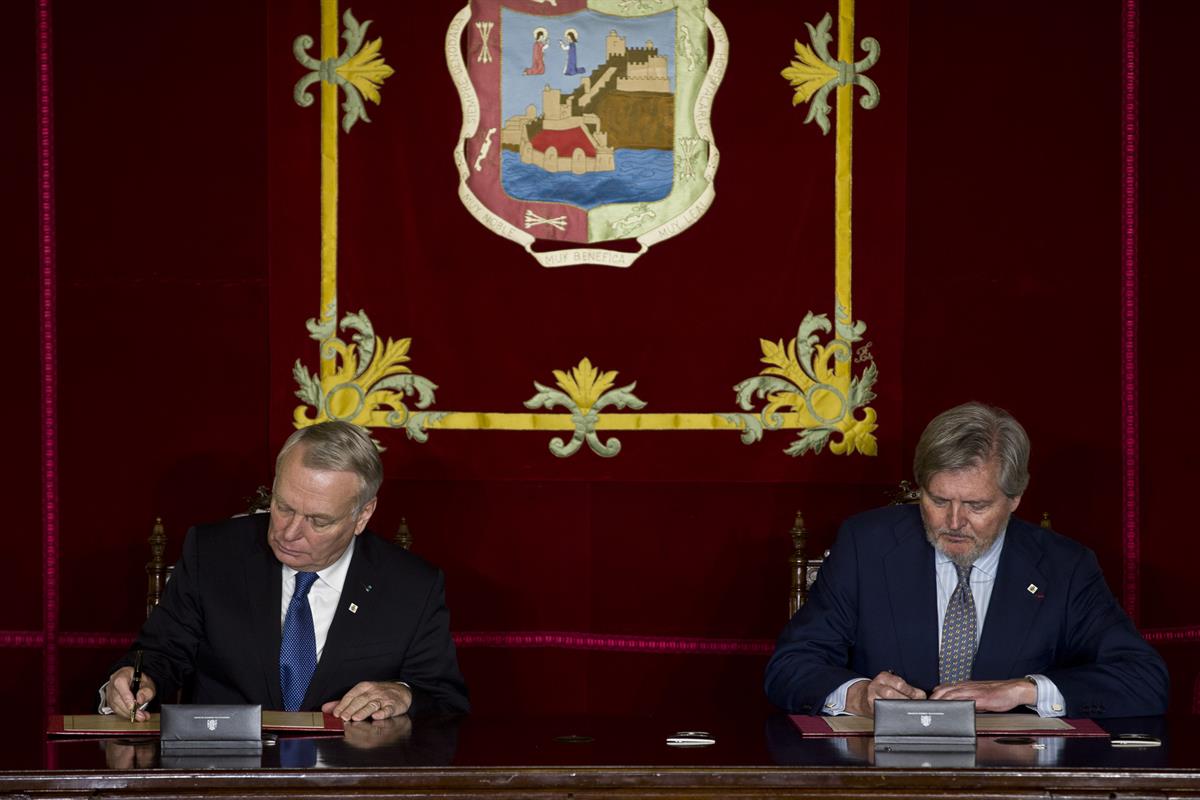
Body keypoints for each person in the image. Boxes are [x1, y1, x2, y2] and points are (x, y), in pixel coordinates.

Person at [765, 402, 1168, 719]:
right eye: (938, 500)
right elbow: (790, 666)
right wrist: (857, 695)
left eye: (976, 505)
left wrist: (1024, 690)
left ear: (1014, 499)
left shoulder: (1065, 567)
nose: (954, 522)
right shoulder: (866, 546)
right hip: (886, 775)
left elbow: (1145, 680)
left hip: (1012, 781)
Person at [103, 421, 469, 721]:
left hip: (347, 785)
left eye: (318, 521)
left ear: (363, 515)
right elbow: (161, 655)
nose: (290, 532)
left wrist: (403, 694)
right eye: (283, 507)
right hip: (226, 778)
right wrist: (136, 682)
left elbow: (444, 700)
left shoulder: (411, 585)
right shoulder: (213, 554)